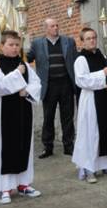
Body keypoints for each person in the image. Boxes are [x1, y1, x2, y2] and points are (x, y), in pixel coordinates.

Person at [0, 30, 43, 205]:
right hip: (4, 112)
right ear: (1, 46)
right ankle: (5, 188)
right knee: (5, 147)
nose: (15, 48)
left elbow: (37, 83)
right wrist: (17, 74)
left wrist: (27, 91)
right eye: (11, 45)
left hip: (23, 110)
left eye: (17, 45)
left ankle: (24, 184)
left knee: (23, 145)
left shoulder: (23, 64)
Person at [72, 27, 107, 183]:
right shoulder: (80, 60)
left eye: (94, 37)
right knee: (91, 133)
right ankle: (89, 169)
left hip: (106, 99)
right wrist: (103, 76)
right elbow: (81, 80)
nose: (92, 40)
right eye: (88, 38)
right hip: (90, 100)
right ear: (82, 41)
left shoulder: (103, 56)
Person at [27, 18, 78, 158]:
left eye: (57, 25)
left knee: (67, 116)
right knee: (48, 117)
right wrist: (21, 50)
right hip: (49, 85)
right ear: (46, 29)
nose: (56, 28)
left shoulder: (68, 41)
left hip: (66, 83)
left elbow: (76, 59)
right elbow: (28, 58)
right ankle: (47, 147)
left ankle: (69, 146)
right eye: (52, 26)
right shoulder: (37, 43)